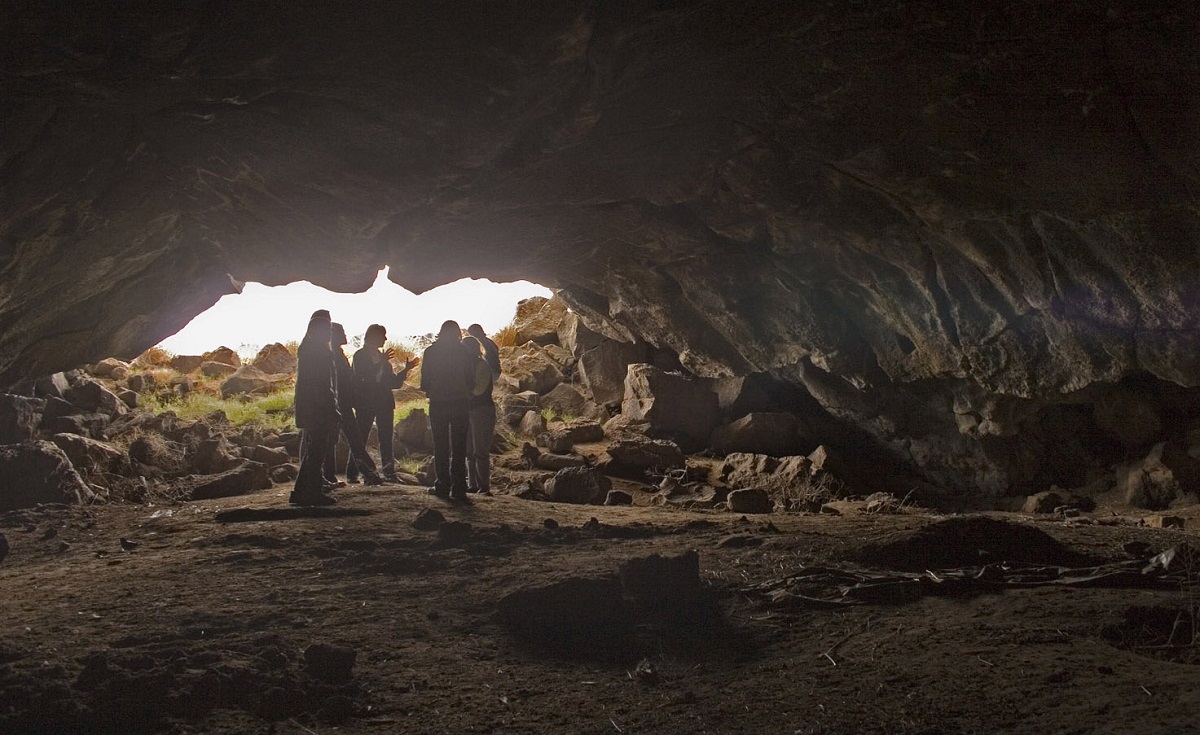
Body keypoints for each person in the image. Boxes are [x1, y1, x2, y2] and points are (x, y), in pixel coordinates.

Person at [323, 323, 384, 487]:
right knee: (354, 440)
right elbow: (342, 382)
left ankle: (330, 475)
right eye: (342, 332)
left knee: (341, 440)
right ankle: (369, 472)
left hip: (341, 403)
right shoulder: (334, 355)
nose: (345, 334)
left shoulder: (336, 354)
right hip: (340, 404)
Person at [353, 324, 415, 483]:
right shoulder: (360, 355)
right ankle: (353, 473)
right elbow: (363, 377)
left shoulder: (382, 358)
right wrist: (381, 362)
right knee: (361, 438)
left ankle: (389, 473)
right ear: (373, 336)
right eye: (383, 335)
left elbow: (393, 383)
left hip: (384, 402)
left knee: (386, 438)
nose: (385, 339)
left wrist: (405, 370)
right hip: (365, 403)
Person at [420, 320, 474, 502]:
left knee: (441, 446)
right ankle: (459, 488)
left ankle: (442, 485)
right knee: (459, 448)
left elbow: (424, 380)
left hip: (438, 402)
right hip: (459, 402)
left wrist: (431, 391)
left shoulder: (431, 351)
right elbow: (470, 377)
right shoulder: (464, 351)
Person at [292, 312, 338, 506]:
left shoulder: (307, 351)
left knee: (313, 451)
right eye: (326, 330)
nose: (329, 334)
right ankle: (312, 492)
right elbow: (322, 385)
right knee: (317, 451)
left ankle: (301, 491)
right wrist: (332, 408)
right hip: (318, 409)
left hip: (309, 407)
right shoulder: (320, 353)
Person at [462, 335, 496, 494]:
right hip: (470, 409)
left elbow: (477, 390)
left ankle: (484, 486)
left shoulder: (481, 366)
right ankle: (474, 484)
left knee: (480, 450)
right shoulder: (469, 366)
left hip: (481, 410)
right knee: (469, 450)